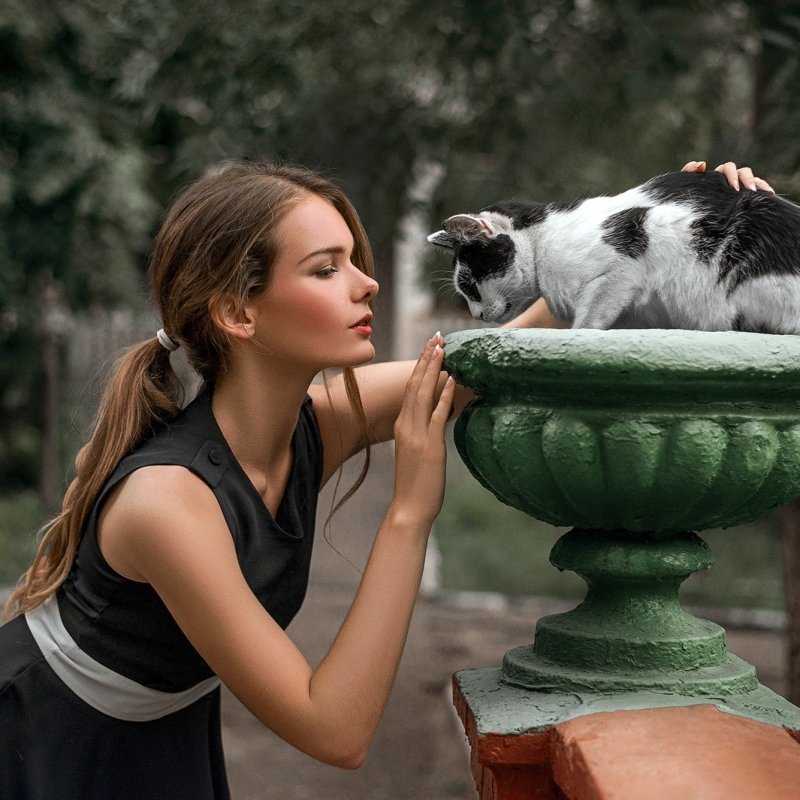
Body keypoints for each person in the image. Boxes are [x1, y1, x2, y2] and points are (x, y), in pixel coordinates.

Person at [0, 158, 768, 799]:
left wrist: (673, 214)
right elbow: (333, 730)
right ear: (238, 312)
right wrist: (409, 512)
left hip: (153, 739)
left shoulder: (309, 425)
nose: (365, 284)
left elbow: (498, 351)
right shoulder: (166, 504)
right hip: (45, 744)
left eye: (355, 261)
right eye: (327, 268)